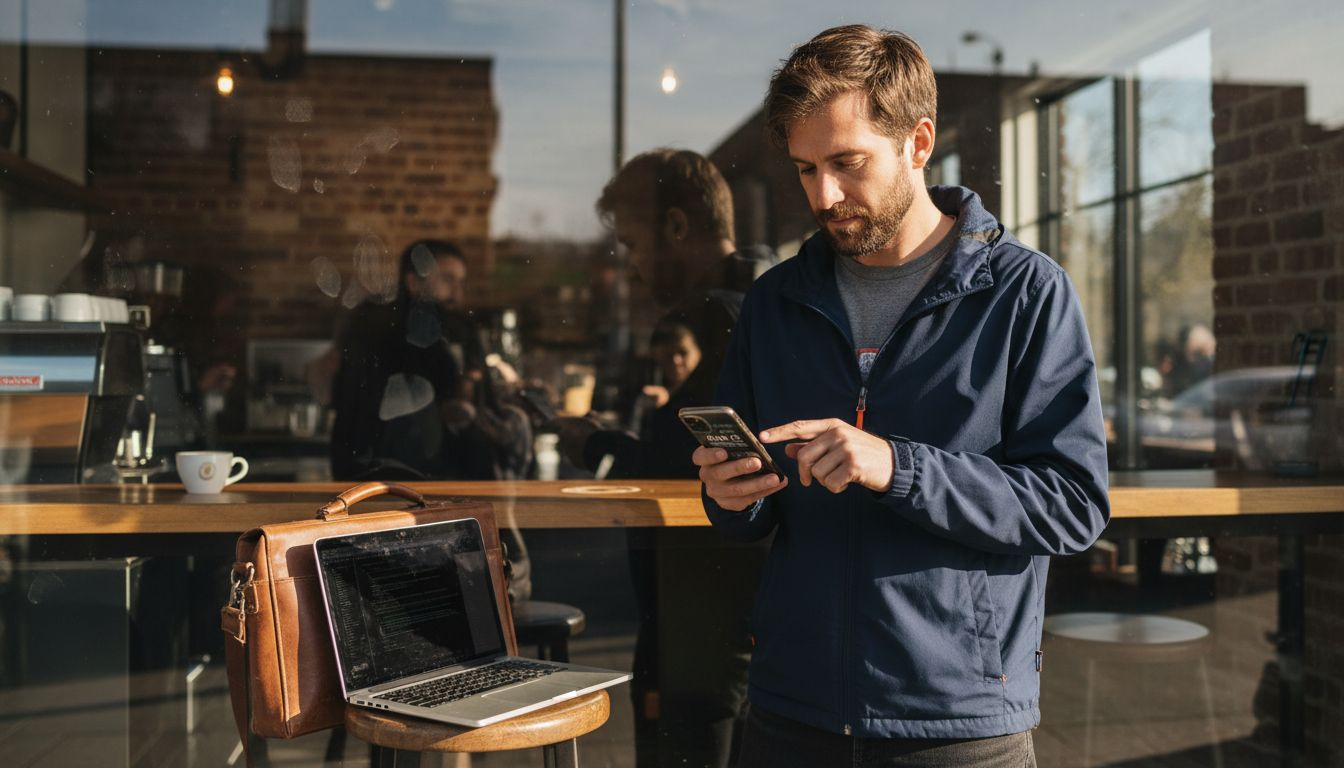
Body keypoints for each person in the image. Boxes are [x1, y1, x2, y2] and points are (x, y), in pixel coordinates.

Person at [693, 25, 1110, 767]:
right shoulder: (773, 303)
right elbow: (748, 517)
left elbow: (1071, 502)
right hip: (791, 712)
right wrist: (731, 495)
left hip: (957, 725)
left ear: (919, 143)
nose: (823, 194)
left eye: (847, 164)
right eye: (805, 169)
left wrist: (898, 466)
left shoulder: (1025, 293)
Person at [554, 148, 774, 768]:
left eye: (632, 243)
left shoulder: (720, 321)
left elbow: (690, 469)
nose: (630, 265)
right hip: (722, 615)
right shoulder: (759, 306)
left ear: (677, 226)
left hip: (706, 622)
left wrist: (595, 443)